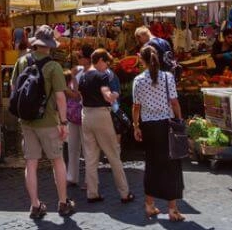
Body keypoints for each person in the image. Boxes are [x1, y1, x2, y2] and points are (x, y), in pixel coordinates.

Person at [12, 25, 74, 220]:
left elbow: (14, 88)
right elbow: (61, 97)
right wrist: (63, 122)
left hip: (27, 121)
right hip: (48, 121)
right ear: (50, 46)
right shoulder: (54, 67)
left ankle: (35, 205)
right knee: (57, 161)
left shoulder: (21, 61)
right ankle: (63, 203)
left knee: (31, 163)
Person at [132, 45, 186, 222]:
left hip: (149, 126)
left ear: (142, 59)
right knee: (171, 166)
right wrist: (180, 120)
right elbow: (174, 102)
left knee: (152, 164)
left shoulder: (138, 80)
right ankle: (172, 209)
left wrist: (136, 126)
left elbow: (136, 106)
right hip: (166, 125)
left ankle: (149, 204)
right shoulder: (167, 77)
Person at [79, 49, 133, 204]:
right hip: (101, 116)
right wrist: (114, 94)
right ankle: (124, 193)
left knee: (90, 157)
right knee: (113, 155)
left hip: (86, 115)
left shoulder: (83, 76)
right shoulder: (101, 75)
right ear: (100, 60)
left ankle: (92, 193)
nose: (107, 66)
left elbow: (80, 95)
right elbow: (107, 95)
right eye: (106, 62)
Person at [64, 46, 93, 186]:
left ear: (87, 58)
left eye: (80, 56)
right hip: (73, 114)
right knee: (72, 146)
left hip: (83, 112)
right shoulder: (78, 70)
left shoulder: (90, 73)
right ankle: (72, 176)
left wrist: (64, 89)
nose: (78, 58)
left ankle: (89, 179)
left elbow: (77, 95)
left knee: (87, 148)